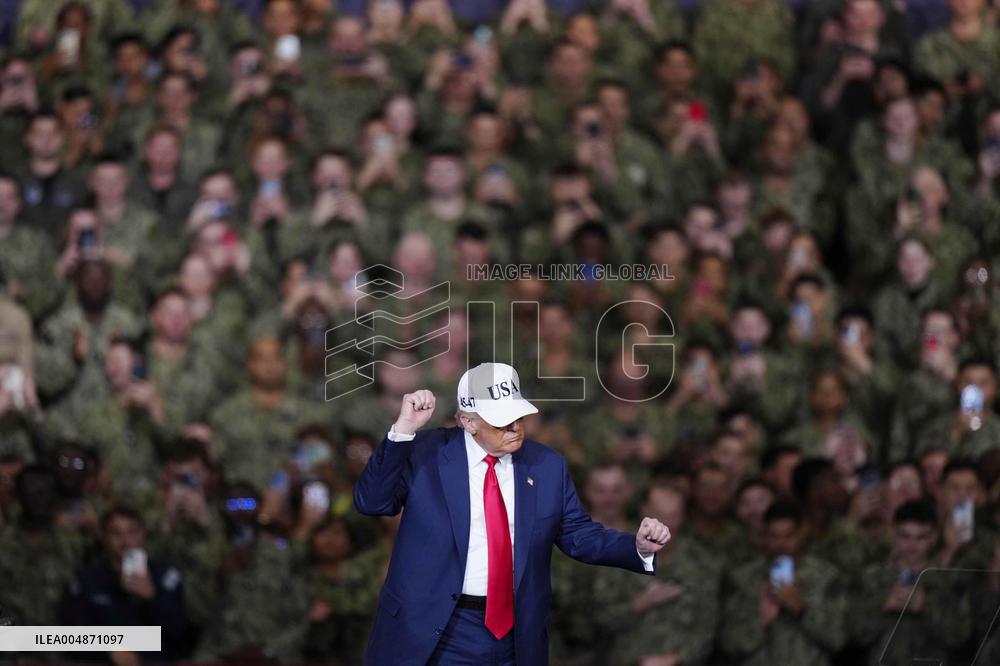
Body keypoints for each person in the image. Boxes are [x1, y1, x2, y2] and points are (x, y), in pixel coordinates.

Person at [354, 362, 671, 665]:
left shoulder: (546, 465)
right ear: (469, 422)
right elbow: (372, 502)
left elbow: (578, 534)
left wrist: (637, 547)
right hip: (435, 628)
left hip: (516, 635)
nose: (515, 426)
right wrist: (402, 431)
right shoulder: (426, 452)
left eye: (518, 415)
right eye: (501, 419)